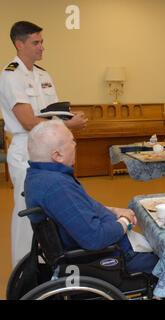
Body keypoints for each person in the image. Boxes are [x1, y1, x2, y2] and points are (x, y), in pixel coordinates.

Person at [24, 120, 165, 299]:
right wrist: (124, 222)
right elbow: (95, 238)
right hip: (109, 258)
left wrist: (113, 210)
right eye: (72, 141)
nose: (75, 145)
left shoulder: (40, 176)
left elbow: (80, 207)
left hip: (99, 247)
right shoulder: (58, 187)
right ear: (57, 155)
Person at [0, 21, 88, 267]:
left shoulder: (43, 75)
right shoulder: (10, 75)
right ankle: (25, 268)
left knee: (53, 208)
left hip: (50, 148)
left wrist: (70, 118)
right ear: (20, 45)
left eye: (42, 42)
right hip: (26, 147)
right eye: (35, 43)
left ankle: (48, 262)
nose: (41, 47)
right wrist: (69, 126)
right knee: (28, 209)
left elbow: (54, 113)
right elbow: (28, 122)